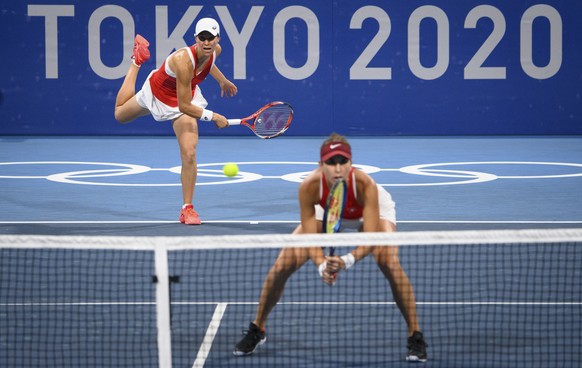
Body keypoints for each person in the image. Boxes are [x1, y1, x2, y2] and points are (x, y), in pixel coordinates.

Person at [233, 133, 428, 362]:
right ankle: (258, 327)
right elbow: (308, 238)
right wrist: (321, 265)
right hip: (328, 210)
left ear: (350, 164)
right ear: (320, 165)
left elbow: (372, 237)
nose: (337, 169)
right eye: (331, 162)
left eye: (342, 162)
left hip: (369, 211)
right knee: (282, 265)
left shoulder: (365, 185)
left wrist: (347, 260)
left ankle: (415, 334)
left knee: (389, 263)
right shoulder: (309, 187)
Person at [114, 18, 237, 225]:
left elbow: (209, 64)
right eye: (202, 38)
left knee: (189, 152)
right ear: (196, 39)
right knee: (120, 115)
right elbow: (184, 106)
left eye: (211, 38)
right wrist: (213, 116)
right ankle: (137, 60)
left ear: (218, 39)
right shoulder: (183, 60)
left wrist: (222, 80)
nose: (207, 43)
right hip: (158, 94)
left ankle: (187, 208)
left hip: (184, 96)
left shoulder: (215, 51)